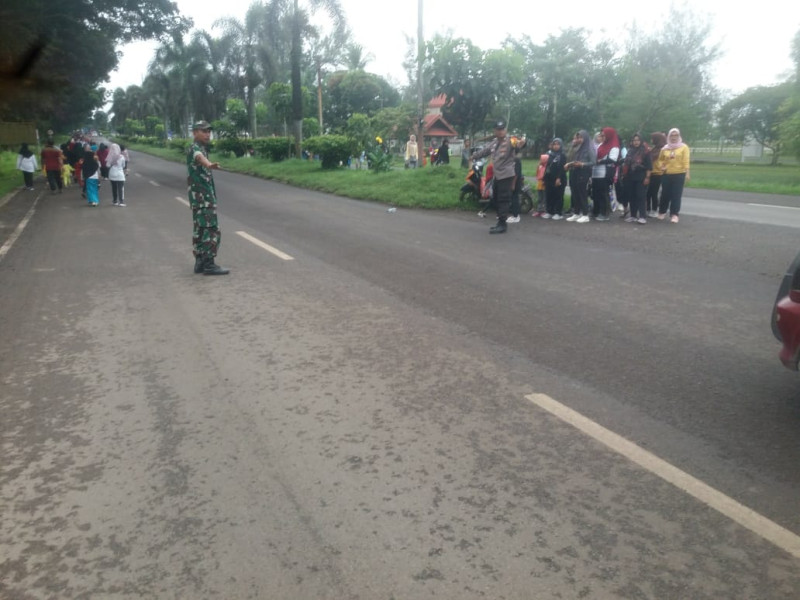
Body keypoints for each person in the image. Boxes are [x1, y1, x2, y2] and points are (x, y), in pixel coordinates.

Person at [187, 120, 229, 275]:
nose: (207, 134)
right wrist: (209, 164)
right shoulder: (195, 149)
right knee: (211, 229)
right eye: (203, 131)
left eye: (208, 131)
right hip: (203, 198)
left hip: (198, 199)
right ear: (194, 133)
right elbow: (199, 158)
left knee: (200, 229)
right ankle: (209, 264)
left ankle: (200, 262)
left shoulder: (199, 148)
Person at [471, 120, 516, 234]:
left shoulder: (511, 140)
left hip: (506, 174)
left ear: (505, 130)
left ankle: (502, 224)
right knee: (495, 197)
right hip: (497, 175)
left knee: (503, 199)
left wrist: (522, 143)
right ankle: (500, 221)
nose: (501, 132)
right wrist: (474, 156)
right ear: (495, 131)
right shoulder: (494, 142)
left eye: (502, 129)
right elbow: (485, 151)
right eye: (498, 130)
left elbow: (520, 144)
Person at [657, 128, 690, 223]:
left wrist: (687, 172)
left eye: (676, 135)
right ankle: (662, 211)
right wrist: (661, 167)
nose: (674, 137)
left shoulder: (683, 147)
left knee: (676, 194)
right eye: (672, 135)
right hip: (666, 174)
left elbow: (686, 160)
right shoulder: (665, 148)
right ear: (668, 136)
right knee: (665, 194)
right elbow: (660, 160)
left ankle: (674, 214)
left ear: (679, 136)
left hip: (679, 173)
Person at [621, 133, 653, 224]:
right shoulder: (630, 151)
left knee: (641, 196)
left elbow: (649, 166)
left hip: (641, 177)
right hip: (630, 177)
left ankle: (642, 216)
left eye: (638, 140)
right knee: (632, 196)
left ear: (641, 141)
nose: (636, 142)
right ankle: (633, 215)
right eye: (634, 140)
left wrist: (647, 177)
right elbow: (627, 163)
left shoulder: (646, 152)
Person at [565, 130, 595, 223]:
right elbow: (573, 158)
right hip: (574, 171)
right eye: (578, 138)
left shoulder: (589, 148)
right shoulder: (577, 147)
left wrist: (582, 164)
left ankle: (585, 214)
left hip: (584, 173)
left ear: (585, 138)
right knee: (575, 193)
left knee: (582, 193)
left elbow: (593, 162)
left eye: (581, 137)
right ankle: (576, 213)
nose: (579, 139)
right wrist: (569, 164)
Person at [591, 127, 620, 221]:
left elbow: (613, 159)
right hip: (596, 172)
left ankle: (604, 213)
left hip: (605, 173)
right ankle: (596, 211)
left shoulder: (614, 146)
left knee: (603, 193)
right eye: (601, 135)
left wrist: (599, 161)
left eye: (604, 135)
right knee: (596, 192)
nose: (602, 137)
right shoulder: (601, 145)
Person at [543, 137, 567, 220]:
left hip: (559, 178)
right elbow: (544, 166)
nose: (556, 146)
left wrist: (559, 178)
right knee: (549, 195)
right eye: (554, 144)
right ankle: (549, 211)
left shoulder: (562, 155)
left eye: (558, 144)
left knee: (558, 195)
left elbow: (562, 168)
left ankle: (558, 212)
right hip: (549, 178)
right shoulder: (548, 154)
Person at [506, 136, 527, 224]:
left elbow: (516, 174)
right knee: (513, 198)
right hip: (513, 181)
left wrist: (513, 184)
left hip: (515, 182)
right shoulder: (513, 159)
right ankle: (514, 215)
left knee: (515, 198)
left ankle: (516, 216)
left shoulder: (516, 160)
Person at [646, 132, 666, 217]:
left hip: (657, 173)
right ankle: (647, 209)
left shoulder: (662, 149)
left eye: (653, 138)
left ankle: (654, 209)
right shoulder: (654, 149)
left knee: (654, 193)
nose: (651, 140)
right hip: (650, 173)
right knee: (648, 193)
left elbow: (655, 159)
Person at [530, 153, 548, 217]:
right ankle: (539, 210)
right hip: (539, 183)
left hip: (545, 183)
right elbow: (537, 173)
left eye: (542, 159)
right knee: (540, 198)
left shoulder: (547, 167)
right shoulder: (540, 166)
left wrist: (545, 181)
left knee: (545, 198)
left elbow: (547, 175)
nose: (541, 160)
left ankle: (545, 210)